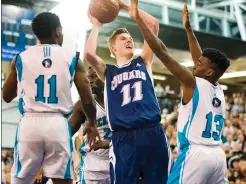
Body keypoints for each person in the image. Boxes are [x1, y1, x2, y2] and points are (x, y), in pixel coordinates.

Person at [129, 0, 230, 183]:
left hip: (197, 154)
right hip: (218, 157)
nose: (195, 62)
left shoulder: (192, 82)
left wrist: (138, 20)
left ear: (208, 71)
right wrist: (189, 30)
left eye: (199, 63)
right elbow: (200, 59)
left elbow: (161, 52)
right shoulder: (218, 88)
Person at [2, 12, 99, 184]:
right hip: (57, 125)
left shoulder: (20, 58)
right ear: (58, 31)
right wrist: (91, 123)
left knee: (20, 180)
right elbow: (87, 98)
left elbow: (6, 96)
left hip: (29, 125)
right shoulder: (73, 58)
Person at [85, 1, 172, 183]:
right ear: (113, 48)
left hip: (152, 133)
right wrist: (96, 26)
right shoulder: (108, 72)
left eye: (130, 38)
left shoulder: (144, 62)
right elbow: (89, 55)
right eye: (123, 38)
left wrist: (124, 7)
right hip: (123, 138)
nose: (129, 40)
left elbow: (153, 25)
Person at [69, 67, 111, 184]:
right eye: (88, 78)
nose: (90, 81)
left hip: (116, 161)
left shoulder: (121, 103)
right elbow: (66, 133)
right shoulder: (82, 105)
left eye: (94, 76)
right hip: (93, 165)